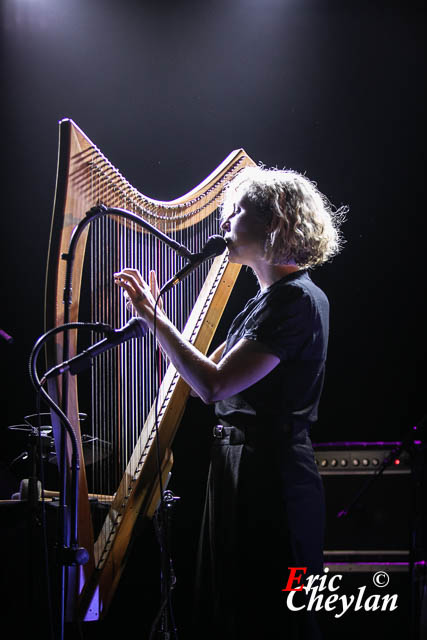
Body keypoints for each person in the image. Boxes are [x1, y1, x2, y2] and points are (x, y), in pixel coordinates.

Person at [114, 165, 345, 639]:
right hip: (238, 465)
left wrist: (155, 318)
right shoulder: (264, 299)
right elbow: (199, 375)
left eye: (236, 211)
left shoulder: (296, 300)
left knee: (275, 618)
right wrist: (155, 323)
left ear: (275, 222)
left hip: (272, 474)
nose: (224, 223)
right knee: (233, 610)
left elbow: (214, 384)